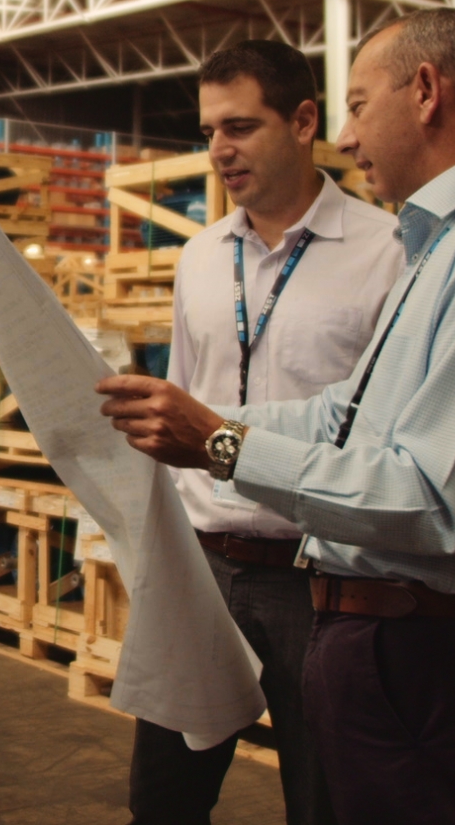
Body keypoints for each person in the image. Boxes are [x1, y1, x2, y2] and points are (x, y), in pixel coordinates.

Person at [98, 8, 455, 825]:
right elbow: (346, 411)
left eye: (360, 104)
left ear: (428, 93)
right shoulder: (448, 246)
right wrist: (189, 421)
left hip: (424, 653)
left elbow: (436, 501)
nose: (347, 131)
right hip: (372, 641)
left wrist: (222, 443)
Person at [129, 41, 402, 825]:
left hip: (317, 578)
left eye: (241, 127)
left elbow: (379, 434)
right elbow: (181, 402)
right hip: (203, 569)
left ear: (305, 121)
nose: (219, 149)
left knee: (322, 799)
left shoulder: (384, 254)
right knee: (162, 800)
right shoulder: (199, 260)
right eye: (211, 129)